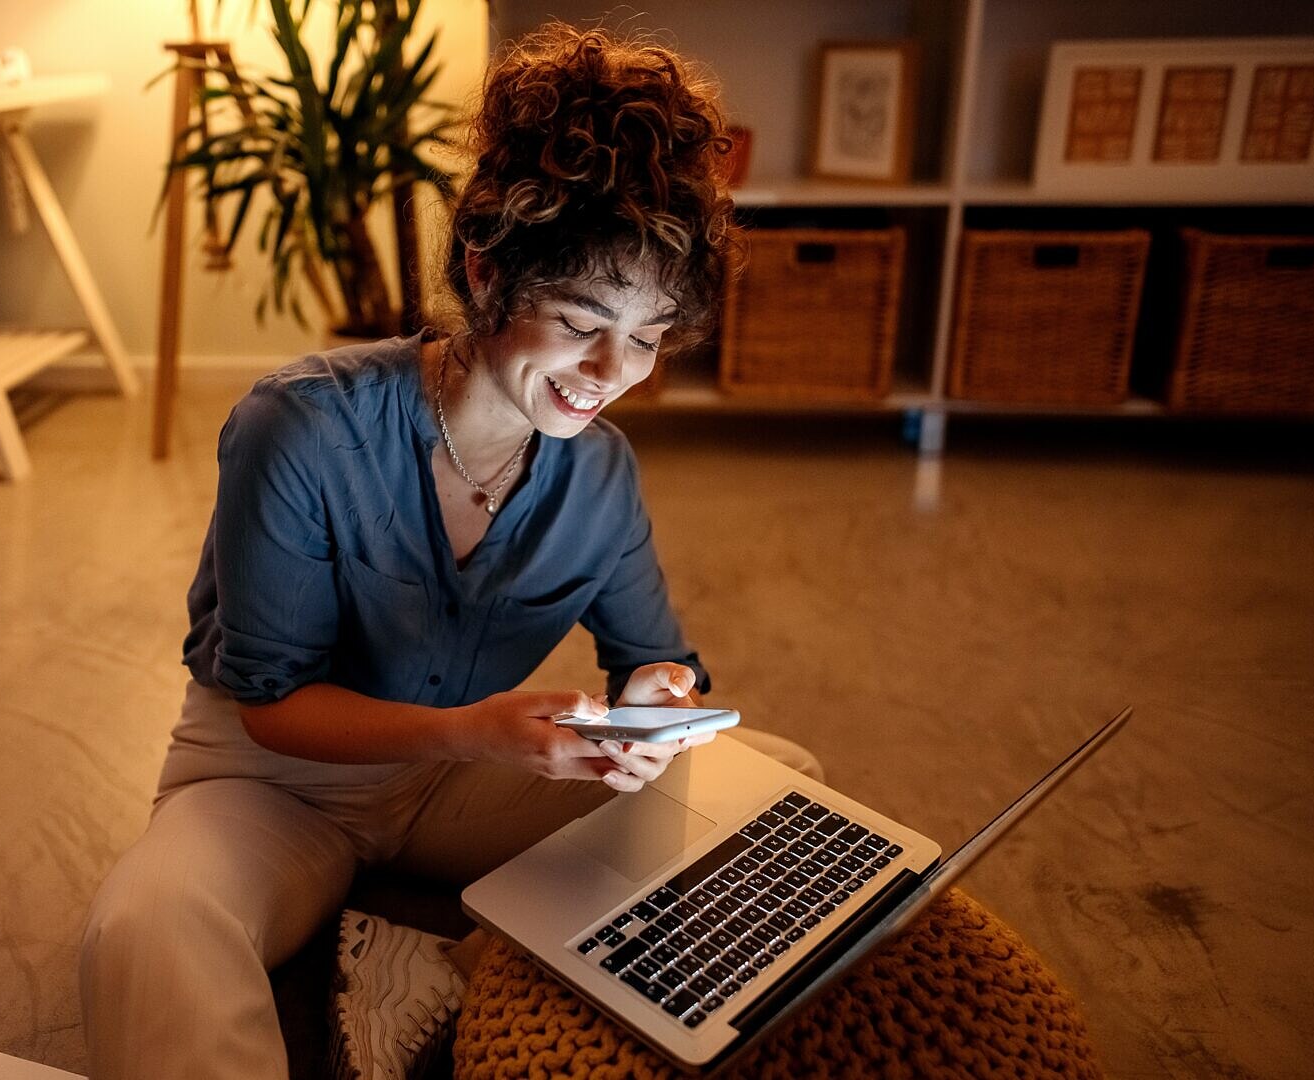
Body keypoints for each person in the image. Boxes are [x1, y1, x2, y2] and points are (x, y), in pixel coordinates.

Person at [79, 24, 822, 1080]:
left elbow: (658, 662)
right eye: (580, 319)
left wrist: (654, 702)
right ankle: (462, 962)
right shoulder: (298, 428)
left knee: (779, 787)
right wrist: (474, 733)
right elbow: (270, 704)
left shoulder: (599, 474)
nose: (611, 370)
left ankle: (455, 966)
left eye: (649, 337)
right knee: (147, 927)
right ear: (485, 273)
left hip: (448, 786)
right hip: (273, 784)